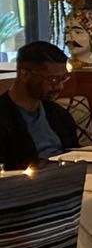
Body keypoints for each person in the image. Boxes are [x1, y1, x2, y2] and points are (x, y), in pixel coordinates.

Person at [0, 41, 78, 169]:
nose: (60, 87)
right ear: (25, 74)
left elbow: (75, 153)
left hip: (67, 175)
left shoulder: (59, 114)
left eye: (63, 79)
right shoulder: (3, 117)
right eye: (53, 79)